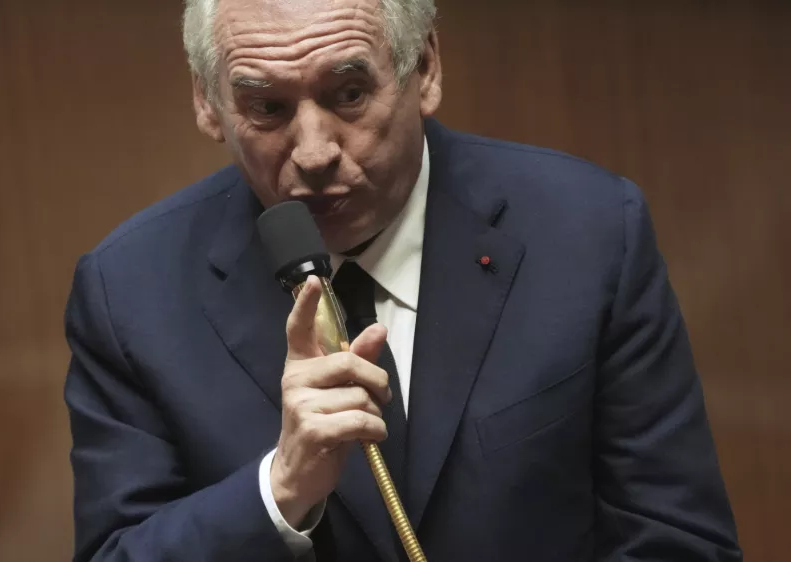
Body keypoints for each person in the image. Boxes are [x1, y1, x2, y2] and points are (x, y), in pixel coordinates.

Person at [62, 0, 742, 560]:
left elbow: (679, 541)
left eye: (350, 94)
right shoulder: (129, 295)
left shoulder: (589, 233)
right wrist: (280, 489)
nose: (315, 152)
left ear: (425, 69)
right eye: (267, 107)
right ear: (210, 106)